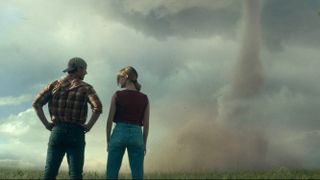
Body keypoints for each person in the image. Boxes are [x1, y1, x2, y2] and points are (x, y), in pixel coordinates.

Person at [32, 57, 103, 179]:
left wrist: (46, 124)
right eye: (85, 69)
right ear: (79, 69)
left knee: (50, 171)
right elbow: (98, 107)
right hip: (77, 132)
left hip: (57, 130)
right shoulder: (86, 88)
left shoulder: (54, 85)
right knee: (75, 174)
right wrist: (89, 126)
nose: (86, 72)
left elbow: (36, 104)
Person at [106, 66, 150, 179]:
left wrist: (108, 141)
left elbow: (109, 120)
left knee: (111, 173)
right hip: (137, 134)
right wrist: (144, 143)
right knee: (138, 175)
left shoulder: (117, 95)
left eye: (119, 78)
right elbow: (146, 125)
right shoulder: (145, 98)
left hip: (119, 133)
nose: (118, 81)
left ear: (125, 77)